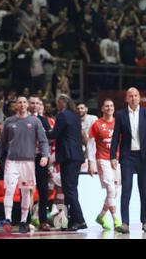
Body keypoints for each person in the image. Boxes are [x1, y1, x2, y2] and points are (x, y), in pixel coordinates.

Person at [0, 96, 50, 234]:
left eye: (25, 102)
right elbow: (2, 143)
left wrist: (45, 155)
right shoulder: (9, 121)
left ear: (27, 105)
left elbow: (43, 141)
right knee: (10, 189)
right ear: (16, 105)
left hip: (28, 162)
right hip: (11, 161)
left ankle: (24, 221)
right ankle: (8, 219)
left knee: (25, 192)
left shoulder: (35, 121)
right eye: (20, 102)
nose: (22, 104)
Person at [110, 87, 146, 234]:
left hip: (144, 157)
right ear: (126, 98)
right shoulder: (120, 114)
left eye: (136, 95)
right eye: (130, 96)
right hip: (127, 157)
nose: (133, 98)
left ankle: (145, 222)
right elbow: (115, 137)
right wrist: (113, 156)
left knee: (144, 190)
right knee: (126, 190)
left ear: (140, 97)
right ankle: (125, 223)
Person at [46, 94, 87, 231]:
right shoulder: (75, 116)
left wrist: (41, 131)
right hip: (76, 156)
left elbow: (54, 134)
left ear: (62, 103)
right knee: (71, 190)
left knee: (69, 190)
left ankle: (80, 221)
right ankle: (72, 221)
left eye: (58, 102)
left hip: (68, 157)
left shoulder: (63, 115)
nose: (56, 105)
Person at [87, 99, 122, 230]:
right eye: (106, 106)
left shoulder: (118, 123)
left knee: (115, 192)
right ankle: (116, 220)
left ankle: (101, 216)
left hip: (116, 160)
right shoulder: (96, 124)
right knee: (111, 190)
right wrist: (90, 162)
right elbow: (90, 144)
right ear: (102, 109)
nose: (109, 108)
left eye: (111, 105)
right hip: (102, 160)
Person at [28, 95, 52, 231]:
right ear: (28, 105)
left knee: (43, 191)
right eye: (32, 103)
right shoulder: (23, 119)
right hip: (26, 158)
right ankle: (26, 220)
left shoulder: (44, 120)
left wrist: (45, 155)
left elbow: (49, 137)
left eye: (37, 103)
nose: (35, 105)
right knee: (27, 190)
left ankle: (43, 221)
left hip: (41, 158)